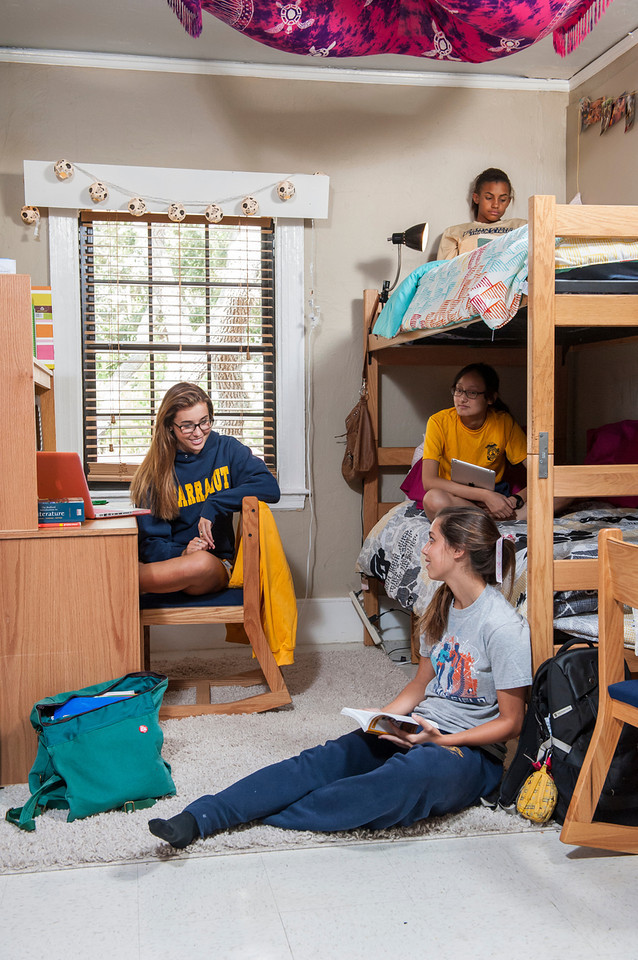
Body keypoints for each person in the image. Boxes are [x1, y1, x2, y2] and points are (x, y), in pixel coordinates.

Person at [147, 506, 531, 848]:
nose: (424, 549)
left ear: (458, 551)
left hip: (470, 753)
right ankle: (203, 816)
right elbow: (420, 684)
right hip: (418, 728)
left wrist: (444, 738)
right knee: (324, 759)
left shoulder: (501, 626)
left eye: (431, 540)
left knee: (397, 783)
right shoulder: (440, 604)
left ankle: (260, 815)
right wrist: (383, 719)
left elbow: (511, 723)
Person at [131, 382, 280, 596]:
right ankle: (126, 578)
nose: (198, 432)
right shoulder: (154, 473)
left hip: (215, 567)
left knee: (200, 562)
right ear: (169, 427)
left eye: (204, 422)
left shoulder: (226, 449)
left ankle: (122, 579)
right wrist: (182, 551)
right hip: (171, 566)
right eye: (187, 425)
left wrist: (215, 502)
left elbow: (269, 487)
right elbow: (149, 544)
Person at [421, 363, 527, 523]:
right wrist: (485, 496)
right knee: (432, 499)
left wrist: (515, 500)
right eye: (458, 390)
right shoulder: (438, 422)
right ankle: (490, 519)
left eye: (472, 393)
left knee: (562, 487)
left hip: (497, 495)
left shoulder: (503, 422)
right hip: (458, 496)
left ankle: (490, 518)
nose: (462, 398)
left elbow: (540, 474)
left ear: (490, 398)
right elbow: (429, 481)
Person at [437, 168, 527, 260]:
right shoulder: (455, 232)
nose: (496, 205)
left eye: (502, 200)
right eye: (489, 198)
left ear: (508, 201)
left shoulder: (522, 226)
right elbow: (444, 271)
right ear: (476, 198)